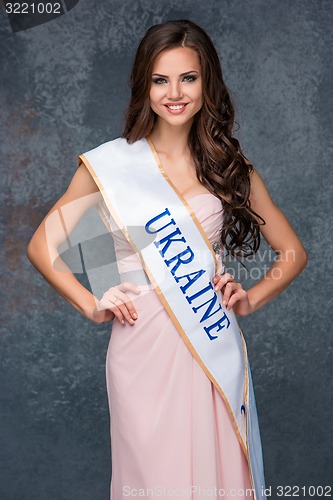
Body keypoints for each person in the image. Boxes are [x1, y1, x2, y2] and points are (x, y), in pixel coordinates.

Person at [27, 19, 307, 500]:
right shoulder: (112, 165)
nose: (174, 93)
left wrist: (250, 298)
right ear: (145, 86)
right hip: (139, 352)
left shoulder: (230, 169)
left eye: (188, 78)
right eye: (161, 80)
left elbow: (294, 252)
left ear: (207, 83)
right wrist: (93, 301)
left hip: (209, 346)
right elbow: (41, 246)